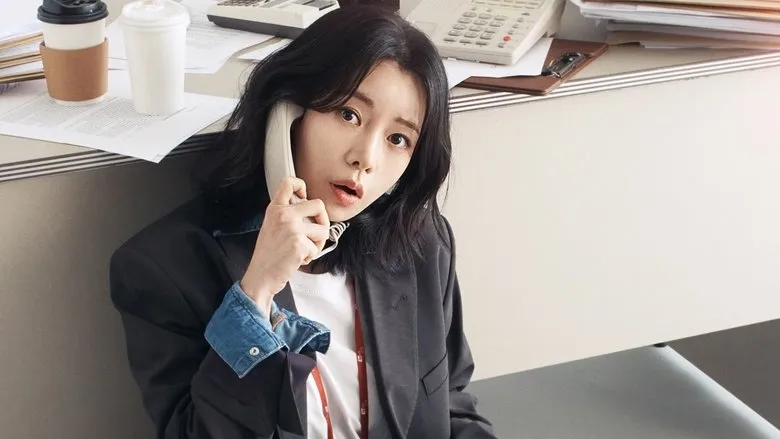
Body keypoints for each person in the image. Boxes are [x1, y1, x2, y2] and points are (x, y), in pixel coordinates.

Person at [109, 5, 496, 439]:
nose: (366, 158)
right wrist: (256, 294)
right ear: (289, 111)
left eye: (398, 139)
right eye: (348, 114)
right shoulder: (164, 268)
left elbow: (450, 407)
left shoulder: (421, 242)